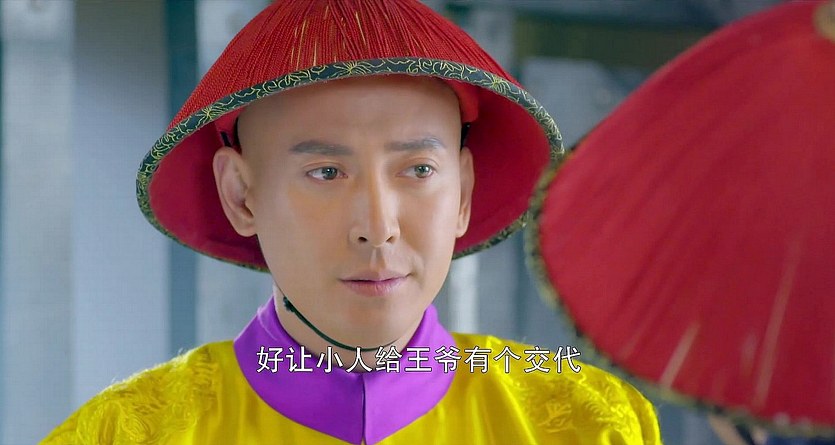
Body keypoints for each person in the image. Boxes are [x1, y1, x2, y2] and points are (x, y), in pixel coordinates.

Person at [41, 1, 661, 443]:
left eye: (418, 170)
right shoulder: (126, 433)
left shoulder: (588, 422)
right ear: (241, 195)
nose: (378, 227)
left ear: (464, 192)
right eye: (326, 172)